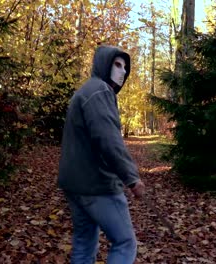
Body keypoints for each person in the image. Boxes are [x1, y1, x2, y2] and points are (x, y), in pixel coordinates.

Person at [58, 45, 146, 264]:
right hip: (97, 185)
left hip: (75, 185)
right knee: (125, 243)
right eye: (117, 65)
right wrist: (132, 177)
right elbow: (108, 139)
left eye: (125, 67)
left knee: (84, 242)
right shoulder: (99, 91)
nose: (123, 71)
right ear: (103, 65)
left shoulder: (86, 90)